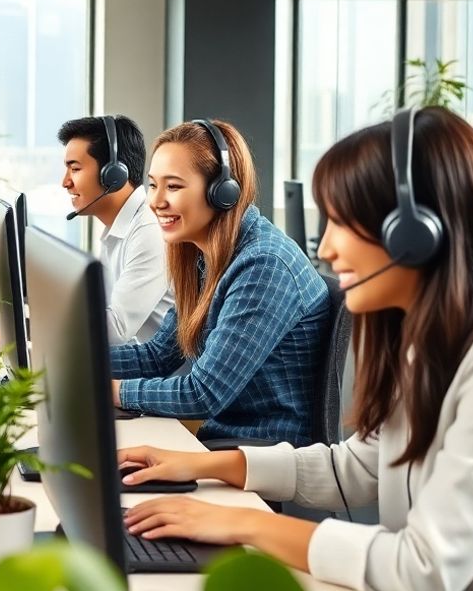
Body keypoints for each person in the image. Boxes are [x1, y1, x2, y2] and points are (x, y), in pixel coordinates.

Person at [118, 108, 473, 591]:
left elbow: (424, 570)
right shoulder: (431, 339)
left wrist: (244, 522)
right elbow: (358, 468)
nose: (324, 248)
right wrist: (198, 465)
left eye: (340, 224)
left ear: (413, 234)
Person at [109, 119, 327, 446]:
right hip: (222, 444)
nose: (155, 201)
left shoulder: (264, 265)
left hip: (258, 454)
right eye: (153, 185)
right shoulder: (201, 257)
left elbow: (204, 392)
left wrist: (109, 390)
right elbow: (157, 356)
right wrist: (66, 364)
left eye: (174, 186)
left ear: (222, 193)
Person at [0, 114, 172, 349]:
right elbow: (98, 306)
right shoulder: (119, 227)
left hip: (154, 380)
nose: (65, 182)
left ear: (114, 175)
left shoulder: (149, 232)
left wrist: (28, 329)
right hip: (129, 366)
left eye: (74, 169)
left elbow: (115, 330)